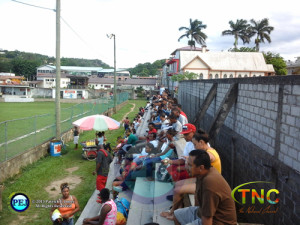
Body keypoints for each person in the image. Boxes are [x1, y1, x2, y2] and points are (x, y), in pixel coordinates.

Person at [174, 150, 237, 225]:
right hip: (202, 212)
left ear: (201, 167)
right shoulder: (201, 174)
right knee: (177, 215)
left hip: (217, 221)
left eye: (190, 165)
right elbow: (198, 199)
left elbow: (207, 218)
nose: (186, 167)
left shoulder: (210, 182)